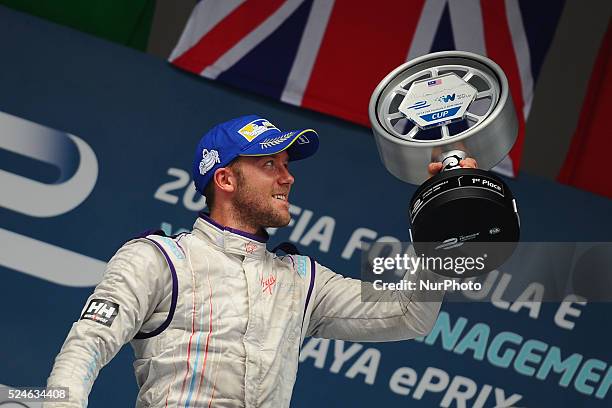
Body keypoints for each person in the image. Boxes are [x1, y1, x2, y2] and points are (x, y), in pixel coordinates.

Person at [45, 114, 476, 407]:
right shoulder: (159, 260)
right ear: (225, 178)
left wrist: (442, 220)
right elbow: (88, 343)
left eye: (286, 164)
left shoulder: (301, 280)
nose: (287, 177)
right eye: (269, 163)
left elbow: (409, 314)